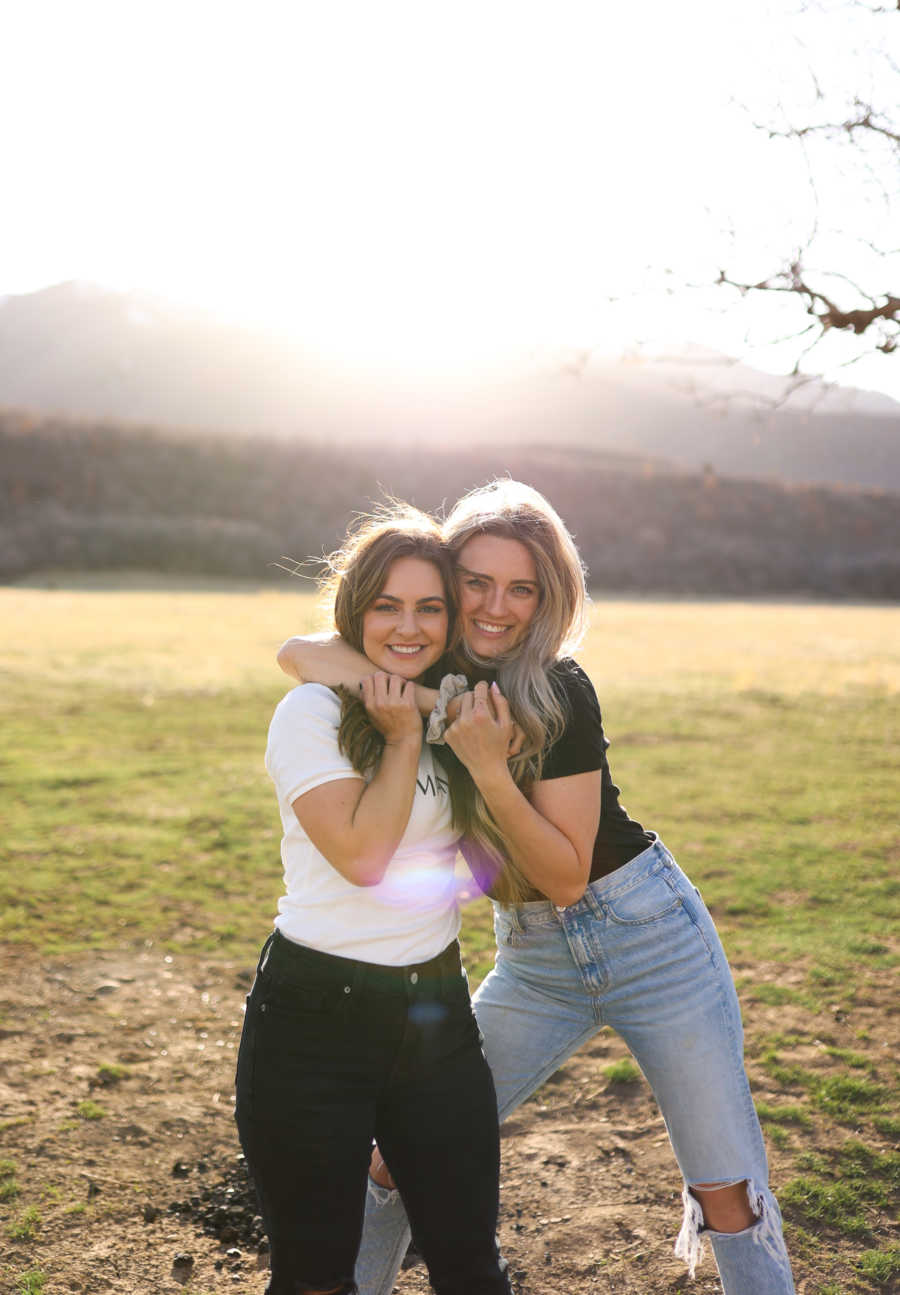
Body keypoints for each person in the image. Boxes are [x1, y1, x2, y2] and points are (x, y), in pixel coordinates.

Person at [276, 479, 797, 1295]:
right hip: (533, 963)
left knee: (723, 1186)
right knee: (396, 1159)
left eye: (521, 587)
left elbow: (562, 874)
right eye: (475, 583)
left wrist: (486, 763)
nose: (495, 606)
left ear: (546, 596)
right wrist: (435, 710)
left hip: (649, 937)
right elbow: (299, 653)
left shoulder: (560, 687)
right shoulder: (435, 663)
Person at [237, 507, 513, 1295]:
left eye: (430, 606)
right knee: (317, 1276)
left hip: (435, 1015)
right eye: (386, 605)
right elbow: (363, 858)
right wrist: (397, 734)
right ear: (354, 610)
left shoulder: (459, 709)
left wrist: (428, 711)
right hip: (312, 1020)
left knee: (470, 1266)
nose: (408, 625)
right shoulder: (311, 713)